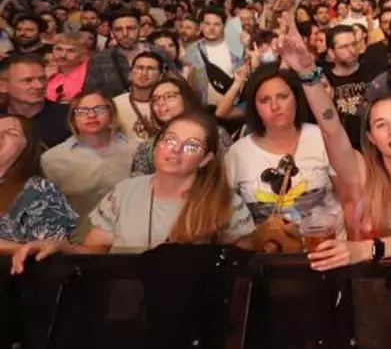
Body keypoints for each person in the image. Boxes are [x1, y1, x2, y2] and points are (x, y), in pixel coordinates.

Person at [277, 26, 391, 269]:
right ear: (370, 137)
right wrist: (308, 74)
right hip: (370, 284)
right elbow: (331, 130)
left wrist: (367, 249)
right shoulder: (360, 172)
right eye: (381, 124)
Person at [11, 112, 255, 263]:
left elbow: (241, 264)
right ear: (156, 146)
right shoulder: (124, 192)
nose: (176, 150)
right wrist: (60, 246)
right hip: (127, 307)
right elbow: (95, 251)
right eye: (169, 139)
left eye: (191, 145)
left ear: (205, 159)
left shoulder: (223, 201)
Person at [223, 65, 347, 250]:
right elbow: (226, 219)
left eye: (282, 96)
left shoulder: (322, 138)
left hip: (328, 251)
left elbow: (350, 199)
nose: (275, 106)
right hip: (267, 258)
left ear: (296, 98)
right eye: (265, 100)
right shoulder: (237, 154)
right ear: (254, 108)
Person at [40, 91, 137, 225]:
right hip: (81, 232)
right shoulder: (52, 160)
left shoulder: (136, 149)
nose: (91, 115)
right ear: (73, 118)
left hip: (132, 227)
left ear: (111, 113)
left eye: (99, 109)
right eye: (82, 111)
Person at [0, 114, 77, 253]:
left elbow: (51, 250)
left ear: (27, 146)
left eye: (11, 133)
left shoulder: (40, 190)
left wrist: (12, 248)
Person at [0, 54, 71, 148]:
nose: (39, 85)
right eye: (28, 80)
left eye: (42, 79)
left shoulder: (68, 117)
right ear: (3, 86)